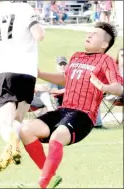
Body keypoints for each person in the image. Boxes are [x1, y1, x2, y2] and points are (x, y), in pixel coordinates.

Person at [19, 22, 123, 188]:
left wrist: (105, 87)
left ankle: (42, 184)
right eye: (89, 32)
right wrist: (40, 74)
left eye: (95, 34)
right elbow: (66, 79)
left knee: (56, 137)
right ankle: (50, 177)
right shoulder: (76, 56)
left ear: (104, 44)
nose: (89, 35)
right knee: (25, 131)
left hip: (83, 115)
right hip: (63, 111)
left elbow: (118, 87)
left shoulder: (105, 60)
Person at [0, 1, 45, 172]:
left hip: (6, 70)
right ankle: (9, 149)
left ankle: (11, 146)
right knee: (17, 121)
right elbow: (39, 35)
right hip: (28, 71)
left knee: (5, 123)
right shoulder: (25, 8)